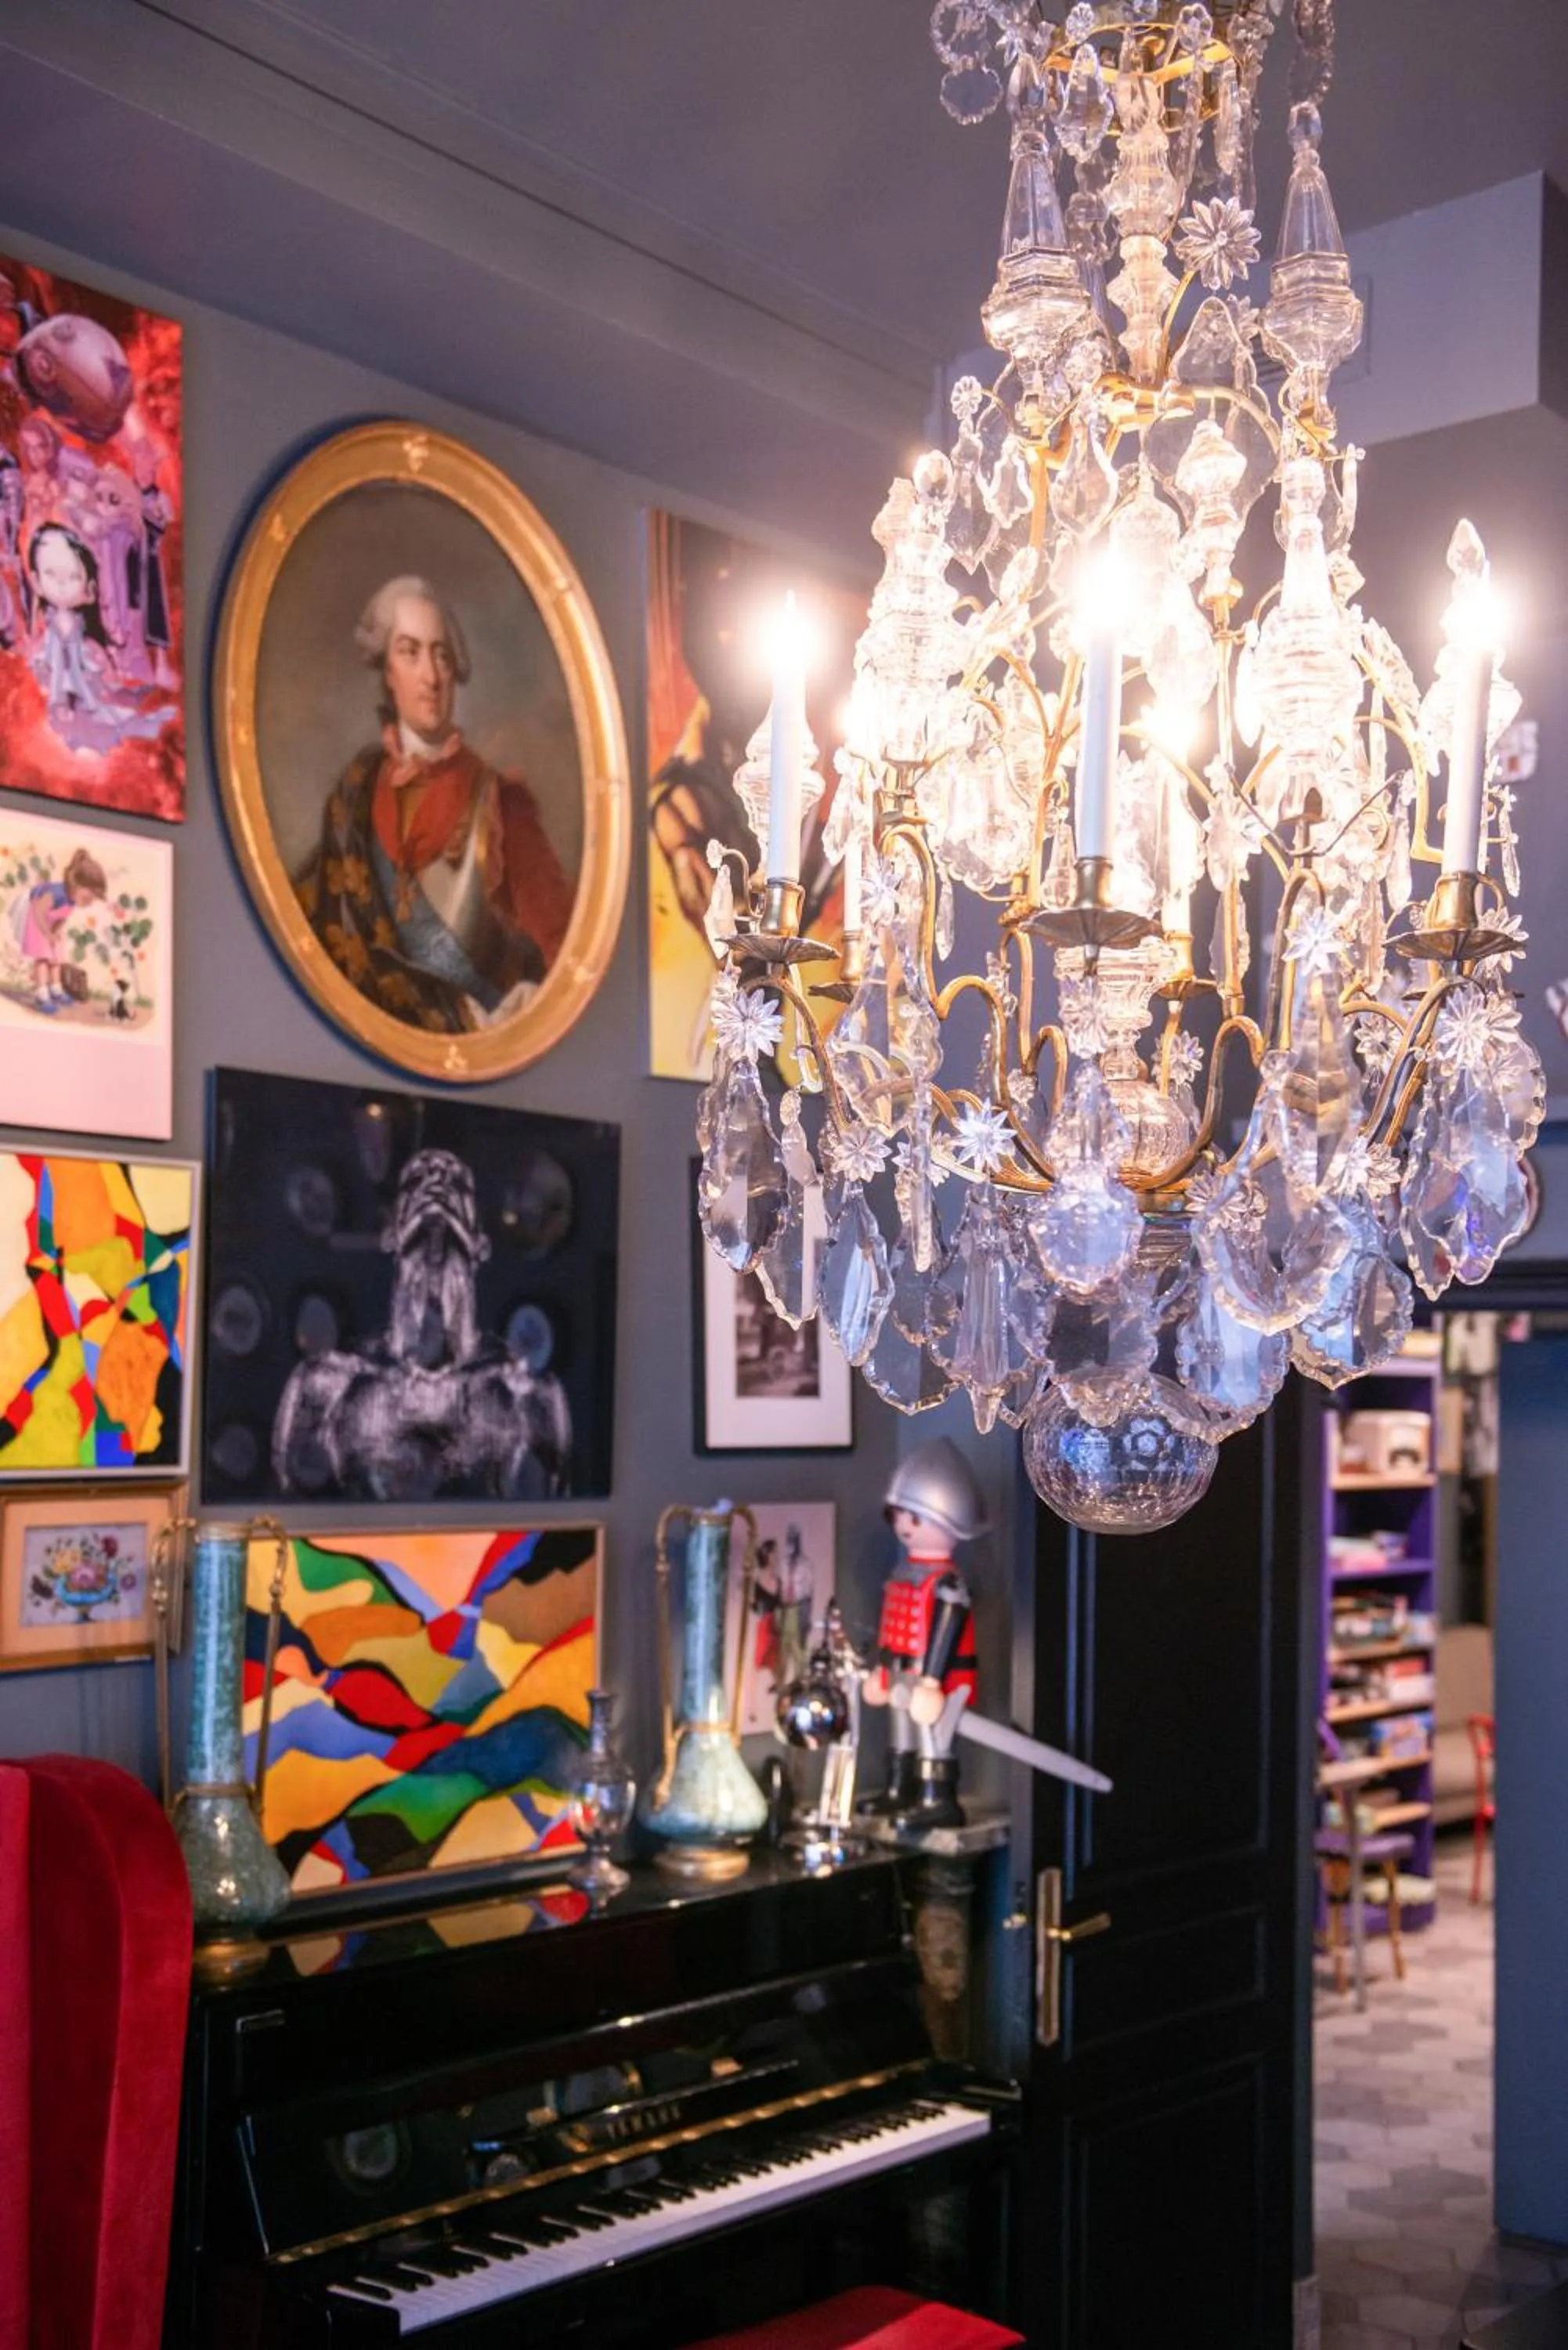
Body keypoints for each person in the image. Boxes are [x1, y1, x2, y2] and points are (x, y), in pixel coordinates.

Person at [295, 575, 575, 1036]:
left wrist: (532, 1005)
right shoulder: (356, 791)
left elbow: (563, 953)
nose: (429, 675)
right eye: (410, 652)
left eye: (441, 655)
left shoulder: (500, 802)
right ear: (387, 671)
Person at [860, 1437, 989, 1830]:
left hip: (935, 1678)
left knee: (935, 1734)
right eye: (899, 1516)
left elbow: (945, 1634)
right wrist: (881, 1672)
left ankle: (938, 1798)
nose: (903, 1527)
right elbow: (891, 1630)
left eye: (913, 1518)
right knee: (901, 1731)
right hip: (901, 1669)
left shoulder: (948, 1582)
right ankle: (900, 1789)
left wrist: (932, 1682)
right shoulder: (905, 1572)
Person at [27, 524, 112, 720]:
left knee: (81, 684)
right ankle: (60, 705)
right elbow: (47, 647)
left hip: (77, 667)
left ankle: (83, 704)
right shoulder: (48, 628)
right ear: (36, 581)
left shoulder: (83, 631)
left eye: (73, 577)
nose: (61, 584)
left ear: (89, 589)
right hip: (55, 672)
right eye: (51, 574)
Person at [12, 844, 107, 1013]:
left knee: (56, 957)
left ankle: (56, 989)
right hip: (36, 920)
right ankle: (42, 994)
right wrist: (47, 933)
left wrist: (56, 933)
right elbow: (38, 912)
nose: (88, 904)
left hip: (50, 924)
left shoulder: (72, 900)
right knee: (42, 957)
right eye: (87, 898)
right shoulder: (55, 893)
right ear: (76, 885)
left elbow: (63, 917)